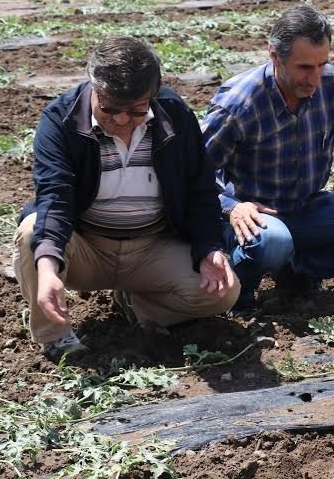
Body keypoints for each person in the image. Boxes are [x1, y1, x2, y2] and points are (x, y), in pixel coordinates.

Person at [13, 37, 239, 361]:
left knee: (223, 292)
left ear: (153, 95)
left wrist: (208, 250)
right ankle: (57, 338)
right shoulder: (61, 120)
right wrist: (48, 269)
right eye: (109, 109)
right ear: (94, 88)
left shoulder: (174, 115)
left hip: (150, 247)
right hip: (87, 248)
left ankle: (135, 304)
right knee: (33, 233)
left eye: (135, 111)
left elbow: (199, 190)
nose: (121, 121)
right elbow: (56, 194)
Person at [202, 4, 334, 313]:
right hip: (253, 219)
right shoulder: (239, 103)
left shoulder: (332, 84)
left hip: (305, 207)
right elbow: (194, 172)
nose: (314, 78)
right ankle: (237, 299)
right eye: (303, 68)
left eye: (321, 65)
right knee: (272, 240)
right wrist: (232, 208)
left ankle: (297, 273)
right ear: (275, 55)